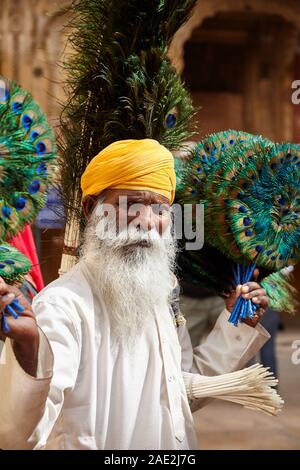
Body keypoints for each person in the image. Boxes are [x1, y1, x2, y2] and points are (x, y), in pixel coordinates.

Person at [0, 139, 270, 450]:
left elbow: (178, 392)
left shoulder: (159, 292)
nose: (146, 221)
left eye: (160, 209)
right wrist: (30, 348)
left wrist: (238, 325)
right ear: (91, 209)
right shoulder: (63, 306)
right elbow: (19, 435)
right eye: (130, 205)